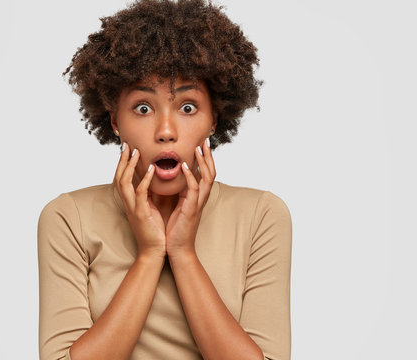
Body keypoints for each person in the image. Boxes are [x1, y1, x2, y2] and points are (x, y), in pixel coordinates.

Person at [37, 0, 292, 359]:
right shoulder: (68, 218)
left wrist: (184, 253)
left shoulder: (261, 216)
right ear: (114, 120)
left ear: (214, 119)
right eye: (143, 108)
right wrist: (150, 254)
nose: (166, 131)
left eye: (188, 107)